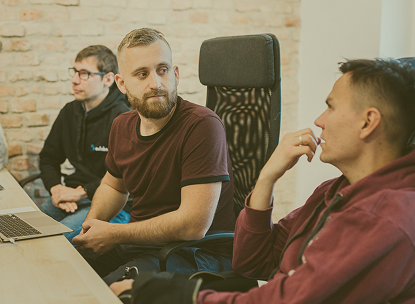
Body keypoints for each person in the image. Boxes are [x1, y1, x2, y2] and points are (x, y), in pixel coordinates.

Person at [110, 58, 415, 303]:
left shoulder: (383, 218)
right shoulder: (335, 190)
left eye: (331, 106)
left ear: (368, 122)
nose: (320, 120)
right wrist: (267, 177)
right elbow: (252, 263)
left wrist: (181, 296)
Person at [72, 28, 236, 284]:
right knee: (65, 272)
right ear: (122, 84)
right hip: (142, 245)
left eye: (163, 70)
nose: (156, 83)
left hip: (196, 253)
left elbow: (193, 226)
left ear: (176, 74)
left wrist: (115, 233)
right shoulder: (121, 125)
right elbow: (113, 186)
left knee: (104, 293)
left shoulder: (202, 125)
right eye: (142, 73)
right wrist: (92, 226)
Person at [39, 45, 131, 242]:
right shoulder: (69, 112)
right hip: (73, 197)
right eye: (74, 72)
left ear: (107, 79)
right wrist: (56, 189)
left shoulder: (123, 117)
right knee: (30, 231)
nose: (74, 80)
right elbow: (48, 157)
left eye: (84, 74)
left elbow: (128, 175)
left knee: (61, 242)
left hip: (114, 204)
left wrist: (80, 193)